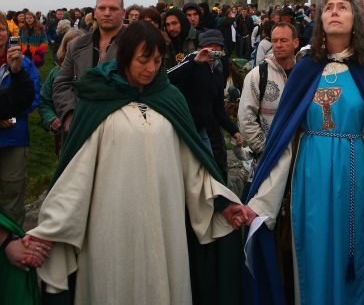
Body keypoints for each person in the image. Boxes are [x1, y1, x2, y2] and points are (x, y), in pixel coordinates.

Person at [27, 21, 246, 304]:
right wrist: (50, 230)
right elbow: (76, 176)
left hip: (165, 226)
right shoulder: (97, 100)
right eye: (143, 60)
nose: (152, 68)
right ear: (125, 56)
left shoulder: (170, 98)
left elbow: (191, 168)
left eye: (157, 61)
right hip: (111, 226)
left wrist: (221, 202)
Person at [241, 0, 364, 304]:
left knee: (352, 254)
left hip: (357, 178)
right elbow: (284, 144)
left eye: (343, 7)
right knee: (312, 250)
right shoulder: (304, 72)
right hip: (309, 177)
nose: (335, 12)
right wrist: (261, 201)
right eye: (328, 8)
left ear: (355, 18)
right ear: (320, 20)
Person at [168, 29, 243, 181]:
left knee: (211, 167)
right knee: (192, 171)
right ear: (201, 47)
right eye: (209, 45)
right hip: (186, 127)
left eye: (218, 46)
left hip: (204, 128)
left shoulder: (217, 69)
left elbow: (217, 107)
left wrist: (233, 130)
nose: (213, 50)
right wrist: (195, 61)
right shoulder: (192, 60)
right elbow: (168, 77)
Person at [53, 0, 126, 134]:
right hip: (81, 124)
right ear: (95, 11)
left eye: (113, 8)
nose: (106, 13)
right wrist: (69, 114)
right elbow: (61, 82)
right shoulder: (77, 45)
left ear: (123, 13)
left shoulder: (136, 43)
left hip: (119, 127)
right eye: (102, 8)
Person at [238, 22, 299, 189]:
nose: (278, 45)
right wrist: (264, 149)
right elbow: (245, 118)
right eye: (275, 40)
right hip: (268, 158)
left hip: (300, 159)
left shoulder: (304, 76)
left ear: (296, 42)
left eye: (284, 40)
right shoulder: (258, 75)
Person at [0, 16, 41, 225]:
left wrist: (11, 117)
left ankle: (11, 245)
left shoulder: (22, 63)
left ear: (8, 33)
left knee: (12, 192)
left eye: (1, 29)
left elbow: (33, 96)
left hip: (14, 137)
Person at [39, 29, 84, 157]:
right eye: (70, 46)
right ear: (64, 48)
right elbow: (44, 101)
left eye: (80, 46)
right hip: (64, 135)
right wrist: (51, 119)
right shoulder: (56, 73)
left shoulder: (95, 71)